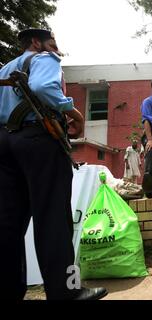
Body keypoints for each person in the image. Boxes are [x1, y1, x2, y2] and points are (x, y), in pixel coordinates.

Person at [0, 29, 107, 300]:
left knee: (8, 225)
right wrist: (74, 112)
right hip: (39, 143)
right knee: (54, 220)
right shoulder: (44, 59)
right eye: (52, 44)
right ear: (36, 43)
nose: (56, 50)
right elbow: (43, 87)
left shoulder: (5, 68)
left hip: (4, 145)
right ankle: (66, 293)